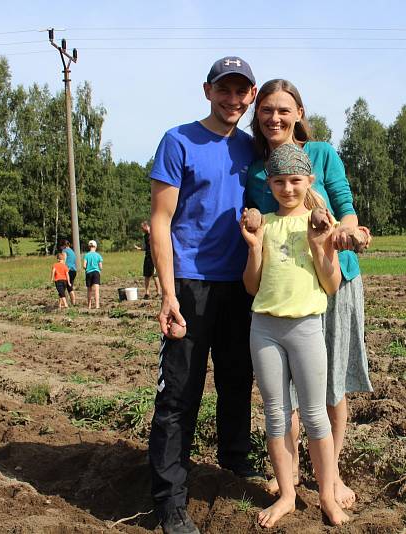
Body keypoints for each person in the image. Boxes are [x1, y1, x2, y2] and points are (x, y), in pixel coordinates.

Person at [247, 79, 373, 509]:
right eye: (266, 110)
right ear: (256, 115)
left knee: (329, 386)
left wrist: (345, 232)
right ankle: (291, 478)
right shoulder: (256, 170)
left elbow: (344, 203)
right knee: (288, 397)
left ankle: (331, 479)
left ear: (299, 112)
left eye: (284, 109)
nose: (275, 117)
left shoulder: (321, 153)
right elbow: (263, 228)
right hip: (283, 292)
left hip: (335, 280)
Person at [147, 55, 259, 534]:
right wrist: (168, 294)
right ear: (207, 90)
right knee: (179, 393)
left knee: (237, 382)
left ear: (251, 96)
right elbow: (160, 220)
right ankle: (170, 499)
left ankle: (235, 467)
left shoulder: (255, 150)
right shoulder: (178, 141)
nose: (232, 99)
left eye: (241, 91)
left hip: (240, 285)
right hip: (190, 284)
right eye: (224, 89)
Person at [241, 143, 349, 528]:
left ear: (309, 180)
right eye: (280, 181)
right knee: (276, 415)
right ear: (269, 183)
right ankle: (288, 494)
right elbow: (251, 287)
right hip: (264, 328)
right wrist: (254, 248)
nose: (288, 189)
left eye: (295, 181)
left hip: (305, 327)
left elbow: (332, 284)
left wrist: (321, 247)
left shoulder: (320, 224)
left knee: (316, 416)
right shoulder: (265, 224)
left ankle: (325, 495)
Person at [135, 220, 160, 298]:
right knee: (146, 275)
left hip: (153, 257)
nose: (142, 229)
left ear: (146, 226)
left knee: (154, 275)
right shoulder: (145, 235)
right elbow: (146, 247)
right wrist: (140, 248)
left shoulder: (153, 233)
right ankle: (147, 293)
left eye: (142, 228)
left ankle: (158, 292)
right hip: (147, 257)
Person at [83, 240, 103, 309]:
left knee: (89, 290)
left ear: (89, 247)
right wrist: (99, 269)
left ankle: (89, 306)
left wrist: (87, 269)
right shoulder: (98, 255)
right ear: (96, 247)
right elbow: (100, 266)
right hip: (96, 273)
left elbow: (84, 266)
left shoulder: (86, 255)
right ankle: (97, 305)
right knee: (96, 290)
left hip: (88, 273)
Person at [60, 239, 77, 305]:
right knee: (70, 287)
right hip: (74, 271)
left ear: (64, 245)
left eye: (61, 246)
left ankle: (61, 304)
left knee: (62, 287)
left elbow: (63, 261)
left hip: (68, 271)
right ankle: (73, 303)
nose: (60, 247)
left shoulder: (65, 251)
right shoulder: (72, 251)